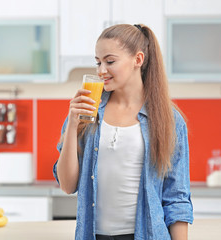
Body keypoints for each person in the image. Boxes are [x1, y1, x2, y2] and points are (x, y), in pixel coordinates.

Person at [53, 24, 193, 240]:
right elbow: (67, 185)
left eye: (110, 61)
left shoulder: (170, 121)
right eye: (98, 62)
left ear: (138, 60)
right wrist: (72, 124)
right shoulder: (87, 112)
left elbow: (176, 198)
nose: (101, 71)